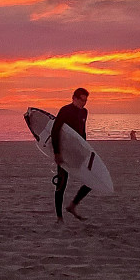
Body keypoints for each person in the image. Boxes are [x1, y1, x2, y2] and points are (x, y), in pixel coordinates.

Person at [51, 87, 93, 222]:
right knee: (62, 184)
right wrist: (57, 153)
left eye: (86, 100)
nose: (84, 103)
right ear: (74, 98)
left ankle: (72, 205)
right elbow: (55, 131)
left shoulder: (84, 112)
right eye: (82, 100)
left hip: (78, 152)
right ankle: (59, 217)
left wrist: (86, 149)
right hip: (65, 152)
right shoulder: (65, 111)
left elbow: (82, 133)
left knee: (91, 180)